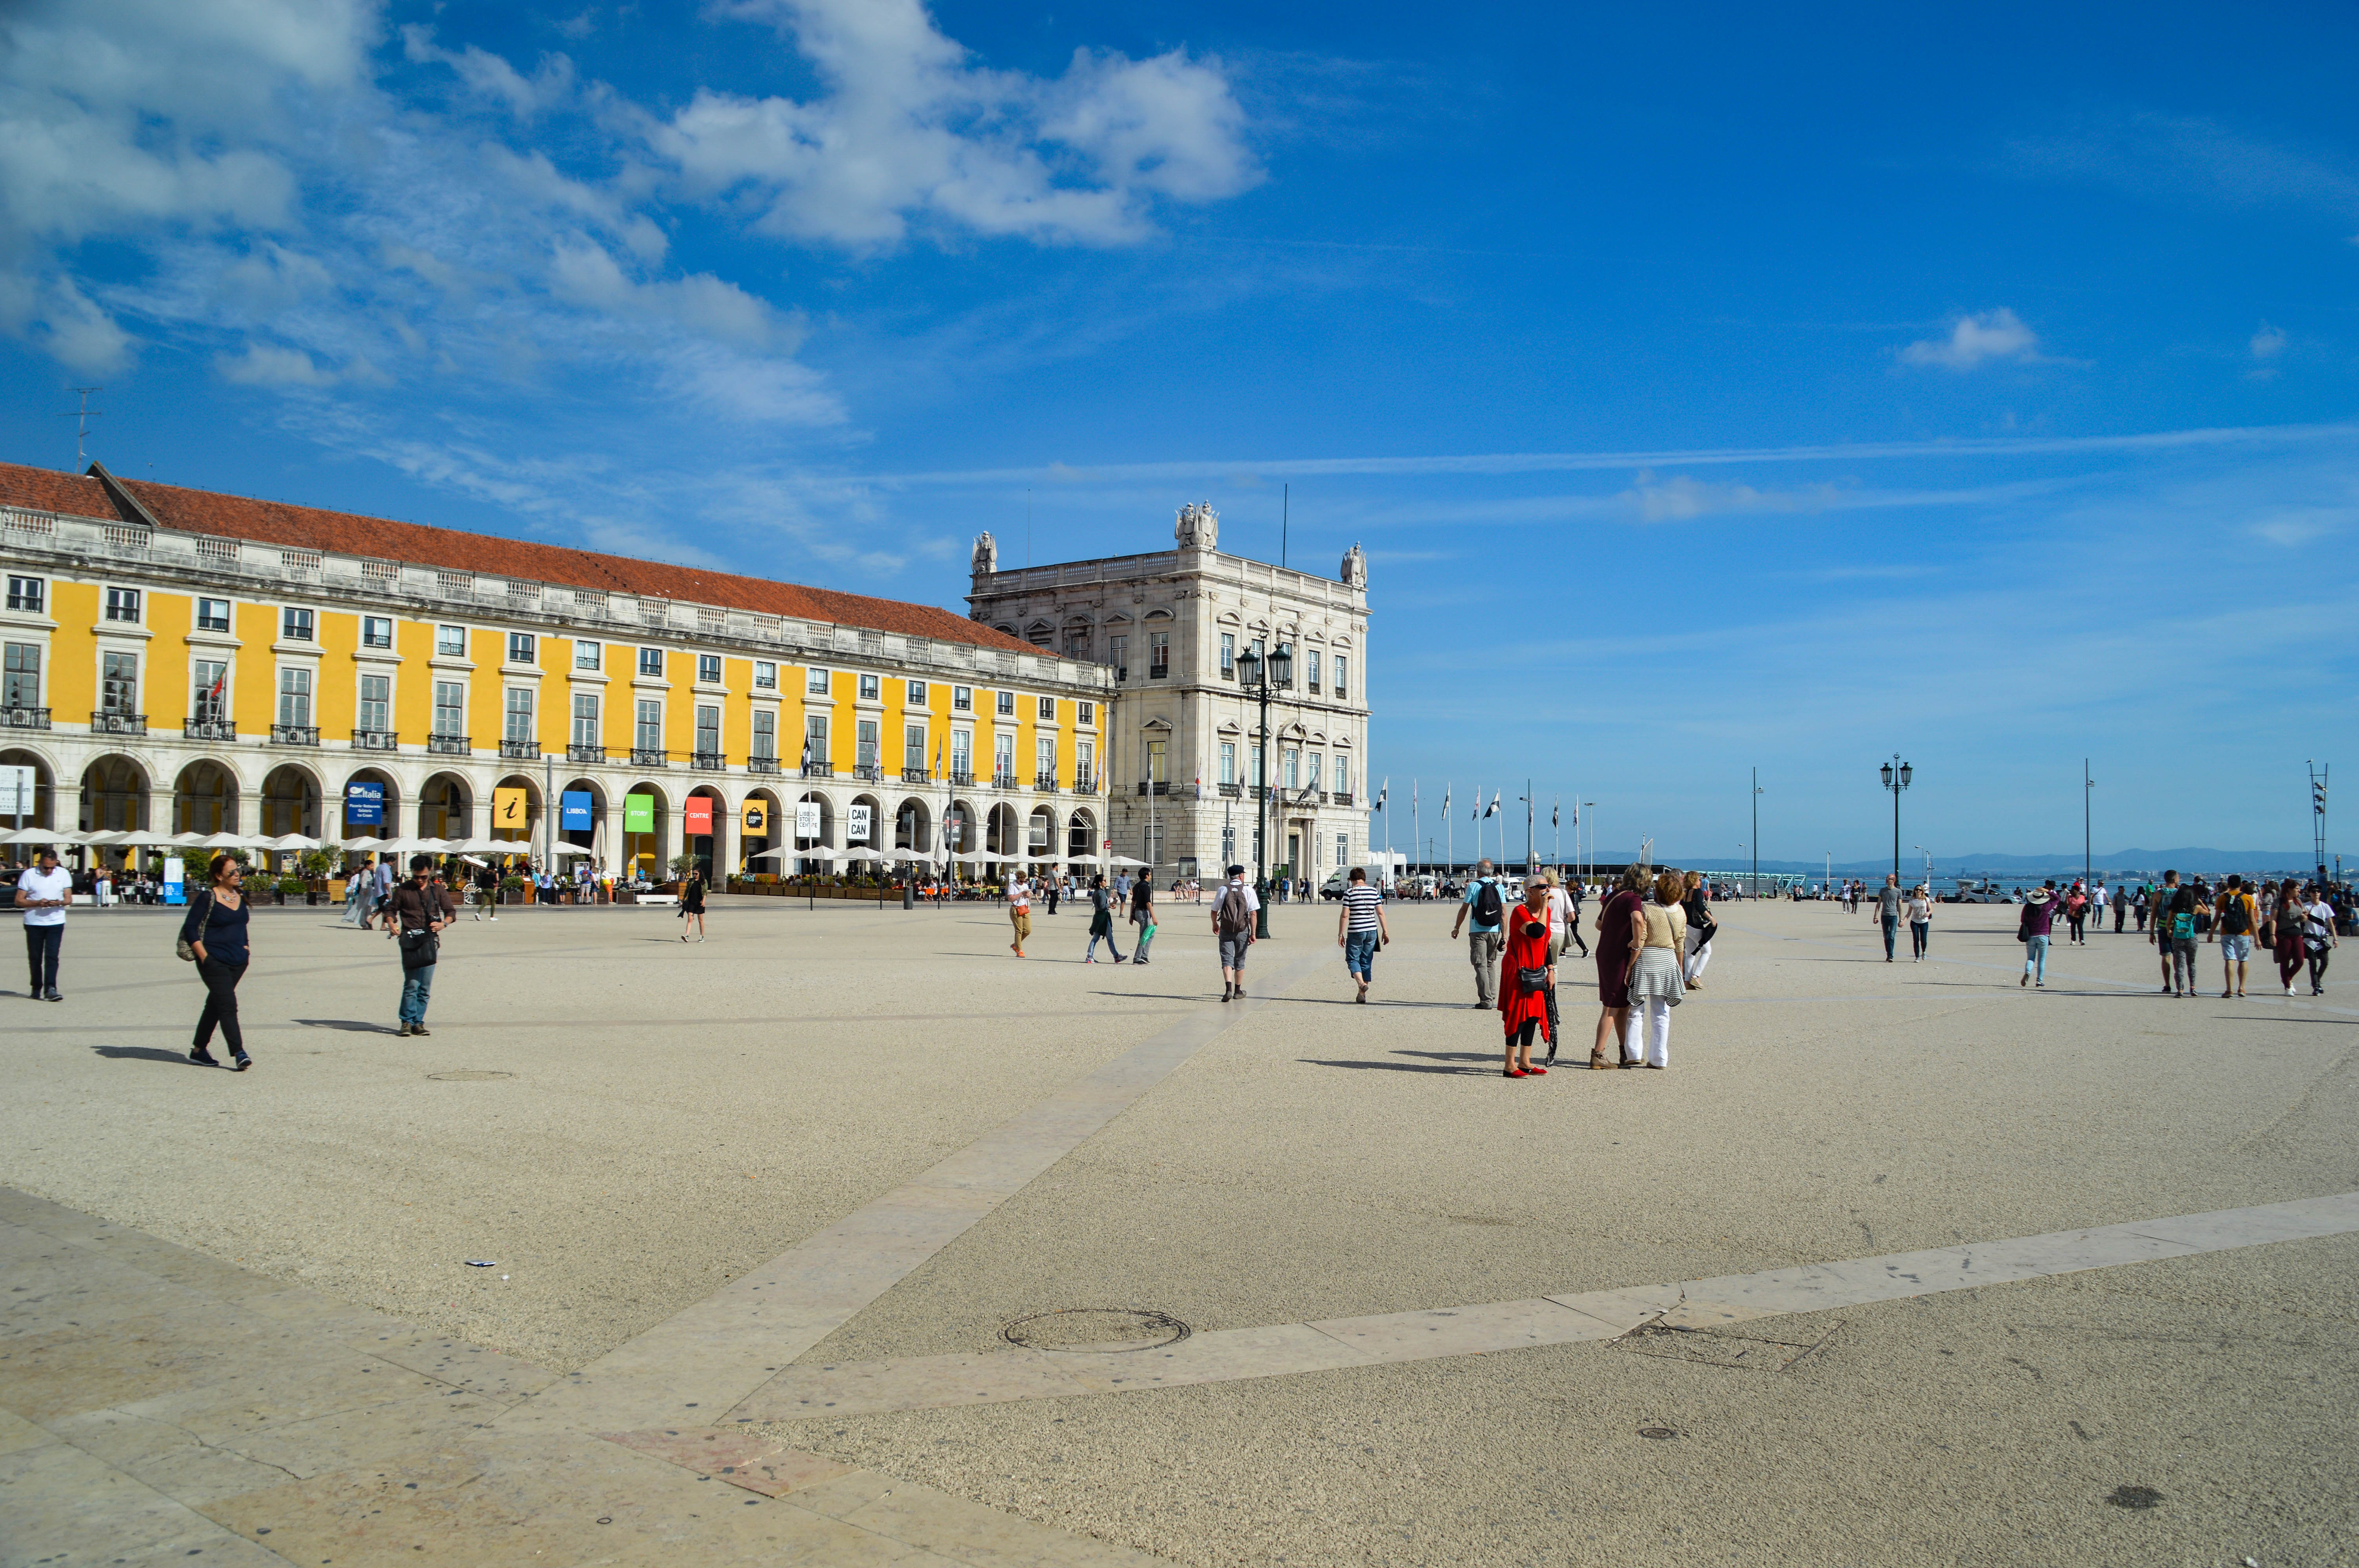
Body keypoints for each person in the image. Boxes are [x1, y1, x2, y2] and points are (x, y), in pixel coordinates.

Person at [179, 854, 251, 1070]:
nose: (237, 874)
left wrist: (246, 949)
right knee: (228, 1005)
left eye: (238, 870)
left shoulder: (239, 895)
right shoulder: (207, 897)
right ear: (219, 876)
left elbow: (242, 926)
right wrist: (204, 957)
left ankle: (199, 1050)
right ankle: (239, 1052)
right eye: (232, 872)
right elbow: (190, 928)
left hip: (238, 961)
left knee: (216, 1004)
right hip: (214, 960)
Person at [387, 854, 457, 1036]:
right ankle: (406, 1022)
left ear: (430, 873)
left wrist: (444, 924)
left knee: (424, 987)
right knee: (411, 984)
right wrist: (391, 923)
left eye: (423, 877)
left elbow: (451, 912)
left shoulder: (438, 890)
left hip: (429, 941)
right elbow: (391, 909)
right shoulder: (403, 890)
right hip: (409, 941)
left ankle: (418, 1022)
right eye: (416, 877)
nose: (419, 880)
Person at [1627, 869, 1688, 1069]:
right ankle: (1660, 1058)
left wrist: (1630, 965)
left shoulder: (1647, 909)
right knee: (1662, 1012)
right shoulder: (1681, 912)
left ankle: (1634, 1052)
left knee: (1636, 1009)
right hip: (1668, 961)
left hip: (1647, 960)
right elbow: (1680, 944)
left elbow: (1641, 938)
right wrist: (1679, 967)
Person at [1591, 866, 1647, 1069]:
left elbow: (1598, 925)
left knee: (1623, 1005)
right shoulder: (1634, 899)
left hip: (1606, 952)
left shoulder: (1615, 894)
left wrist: (1615, 929)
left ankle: (1625, 1051)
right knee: (1612, 1005)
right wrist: (1636, 940)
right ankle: (1598, 1053)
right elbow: (1637, 919)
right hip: (1618, 956)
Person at [1498, 882, 1554, 1078]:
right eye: (1542, 888)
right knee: (1518, 1015)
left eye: (1548, 887)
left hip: (1537, 969)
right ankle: (1509, 1065)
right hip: (1519, 969)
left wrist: (1551, 970)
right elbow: (1536, 932)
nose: (1547, 890)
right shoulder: (1520, 912)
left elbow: (1546, 942)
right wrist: (1545, 906)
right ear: (1530, 892)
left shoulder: (1543, 914)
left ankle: (1525, 1061)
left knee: (1532, 1015)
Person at [14, 846, 71, 1001]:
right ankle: (36, 987)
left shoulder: (63, 874)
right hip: (34, 922)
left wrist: (58, 902)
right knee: (35, 957)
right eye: (46, 868)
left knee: (52, 956)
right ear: (40, 863)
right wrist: (38, 903)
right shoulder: (29, 875)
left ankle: (51, 988)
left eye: (52, 868)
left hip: (56, 922)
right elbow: (19, 900)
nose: (49, 871)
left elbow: (69, 899)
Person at [1448, 858, 1506, 1011]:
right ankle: (1491, 996)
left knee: (1480, 964)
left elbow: (1465, 909)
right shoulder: (1499, 887)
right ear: (1492, 872)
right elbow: (1504, 913)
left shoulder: (1473, 886)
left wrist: (1457, 928)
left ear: (1478, 872)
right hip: (1494, 930)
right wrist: (1504, 935)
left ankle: (1486, 1001)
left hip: (1477, 930)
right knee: (1490, 964)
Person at [1337, 866, 1387, 1003]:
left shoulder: (1350, 892)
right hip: (1372, 930)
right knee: (1366, 961)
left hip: (1356, 930)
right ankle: (1362, 995)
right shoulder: (1373, 891)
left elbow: (1345, 916)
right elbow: (1381, 913)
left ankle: (1361, 984)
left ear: (1352, 879)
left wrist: (1341, 934)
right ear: (1364, 878)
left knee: (1353, 959)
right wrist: (1385, 932)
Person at [1214, 864, 1258, 1000]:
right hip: (1242, 929)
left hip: (1226, 929)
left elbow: (1214, 910)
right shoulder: (1248, 890)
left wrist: (1215, 924)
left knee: (1227, 960)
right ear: (1241, 876)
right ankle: (1238, 991)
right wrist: (1253, 933)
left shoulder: (1223, 889)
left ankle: (1228, 989)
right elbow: (1253, 914)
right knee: (1240, 960)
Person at [2214, 875, 2257, 999]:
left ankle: (2229, 989)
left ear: (2229, 884)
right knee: (2243, 960)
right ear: (2241, 885)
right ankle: (2242, 988)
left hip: (2226, 932)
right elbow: (2252, 920)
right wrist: (2257, 938)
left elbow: (2217, 917)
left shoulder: (2222, 897)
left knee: (2229, 960)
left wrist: (2211, 934)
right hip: (2243, 932)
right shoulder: (2248, 898)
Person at [2268, 877, 2307, 996]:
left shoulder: (2298, 901)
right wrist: (2272, 934)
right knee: (2285, 962)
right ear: (2289, 890)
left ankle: (2288, 978)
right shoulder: (2278, 902)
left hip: (2297, 934)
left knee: (2300, 961)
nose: (2299, 891)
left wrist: (2304, 917)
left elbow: (2304, 913)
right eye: (2297, 889)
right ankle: (2288, 986)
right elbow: (2273, 919)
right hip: (2283, 935)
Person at [2161, 884, 2199, 996]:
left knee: (2179, 964)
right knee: (2191, 963)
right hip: (2191, 937)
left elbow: (2168, 924)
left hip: (2178, 938)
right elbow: (2208, 912)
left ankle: (2180, 990)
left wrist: (2169, 932)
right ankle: (2193, 987)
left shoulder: (2174, 909)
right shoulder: (2195, 908)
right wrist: (2199, 902)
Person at [1680, 870, 1716, 988]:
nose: (1700, 881)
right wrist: (1711, 919)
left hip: (1686, 927)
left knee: (1691, 954)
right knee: (1707, 951)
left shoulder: (1685, 893)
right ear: (1694, 881)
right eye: (1699, 879)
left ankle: (1687, 981)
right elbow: (1701, 908)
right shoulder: (1697, 892)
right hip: (1696, 927)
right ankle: (1696, 976)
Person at [2019, 881, 2059, 988]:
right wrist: (2048, 891)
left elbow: (2023, 920)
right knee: (2041, 960)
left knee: (2031, 958)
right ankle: (2039, 981)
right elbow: (2057, 899)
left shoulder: (2027, 907)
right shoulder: (2046, 908)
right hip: (2043, 935)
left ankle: (2028, 971)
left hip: (2031, 935)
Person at [2147, 871, 2182, 989]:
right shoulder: (2180, 894)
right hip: (2177, 928)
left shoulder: (2158, 894)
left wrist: (2152, 932)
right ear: (2174, 880)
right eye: (2178, 878)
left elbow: (2154, 914)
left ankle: (2167, 984)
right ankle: (2179, 984)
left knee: (2166, 957)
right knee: (2178, 957)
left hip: (2162, 927)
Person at [2302, 883, 2339, 996]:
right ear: (2310, 893)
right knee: (2313, 964)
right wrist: (2304, 917)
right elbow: (2302, 921)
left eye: (2318, 891)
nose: (2316, 893)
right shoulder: (2306, 907)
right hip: (2309, 940)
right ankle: (2316, 987)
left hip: (2322, 940)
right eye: (2314, 891)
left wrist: (2335, 938)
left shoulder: (2325, 907)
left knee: (2325, 962)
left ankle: (2316, 981)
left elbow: (2331, 924)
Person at [1083, 874, 1127, 963]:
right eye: (1105, 881)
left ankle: (1090, 956)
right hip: (1103, 917)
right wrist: (1111, 904)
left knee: (1096, 938)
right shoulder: (1101, 893)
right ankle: (1116, 956)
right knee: (1108, 938)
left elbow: (1100, 905)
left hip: (1098, 916)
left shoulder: (1096, 892)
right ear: (1100, 883)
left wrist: (1109, 906)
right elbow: (1103, 906)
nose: (1106, 882)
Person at [1874, 873, 1904, 962]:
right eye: (1886, 878)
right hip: (1884, 916)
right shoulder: (1883, 891)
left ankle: (1891, 956)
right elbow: (1879, 904)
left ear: (1893, 880)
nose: (1886, 880)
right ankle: (1888, 954)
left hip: (1894, 916)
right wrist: (1875, 917)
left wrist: (1901, 919)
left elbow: (1900, 906)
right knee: (1886, 937)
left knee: (1891, 936)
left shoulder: (1898, 892)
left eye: (1889, 879)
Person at [1129, 875, 1158, 965]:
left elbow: (1133, 902)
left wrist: (1131, 916)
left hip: (1138, 912)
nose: (1151, 876)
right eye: (1150, 875)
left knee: (1151, 935)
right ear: (1146, 876)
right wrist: (1154, 917)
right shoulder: (1146, 887)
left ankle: (1144, 955)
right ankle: (1137, 958)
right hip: (1143, 912)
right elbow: (1148, 903)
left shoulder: (1137, 886)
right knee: (1144, 936)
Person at [1905, 883, 1932, 961]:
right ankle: (1917, 957)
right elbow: (1909, 913)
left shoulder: (1926, 899)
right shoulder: (1912, 901)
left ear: (1922, 891)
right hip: (1914, 922)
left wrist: (1928, 913)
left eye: (1920, 890)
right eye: (1917, 890)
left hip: (1924, 922)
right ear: (1915, 891)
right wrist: (1903, 921)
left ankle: (1924, 951)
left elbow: (1931, 909)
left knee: (1923, 940)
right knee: (1916, 939)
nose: (1918, 891)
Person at [1007, 873, 1031, 956]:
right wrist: (1021, 893)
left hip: (1025, 908)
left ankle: (1015, 945)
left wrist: (1028, 896)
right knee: (1019, 930)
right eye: (1021, 881)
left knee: (1028, 930)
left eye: (1024, 881)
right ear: (1017, 879)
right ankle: (1019, 951)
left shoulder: (1026, 886)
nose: (1022, 883)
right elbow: (1011, 899)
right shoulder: (1012, 886)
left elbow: (1029, 898)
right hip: (1016, 909)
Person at [680, 869, 707, 942]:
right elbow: (687, 890)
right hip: (691, 902)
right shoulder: (691, 881)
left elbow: (705, 892)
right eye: (693, 874)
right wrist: (683, 899)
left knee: (701, 921)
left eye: (696, 874)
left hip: (699, 903)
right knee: (690, 919)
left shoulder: (704, 881)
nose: (694, 875)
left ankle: (702, 936)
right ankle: (687, 936)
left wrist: (704, 901)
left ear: (700, 873)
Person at [2063, 881, 2088, 945]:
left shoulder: (2082, 897)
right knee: (2073, 927)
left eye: (2073, 890)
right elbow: (2067, 904)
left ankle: (2082, 940)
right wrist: (2067, 896)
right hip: (2072, 914)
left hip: (2080, 914)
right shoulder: (2070, 897)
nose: (2072, 891)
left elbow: (2085, 904)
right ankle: (2073, 940)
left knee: (2080, 927)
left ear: (2077, 891)